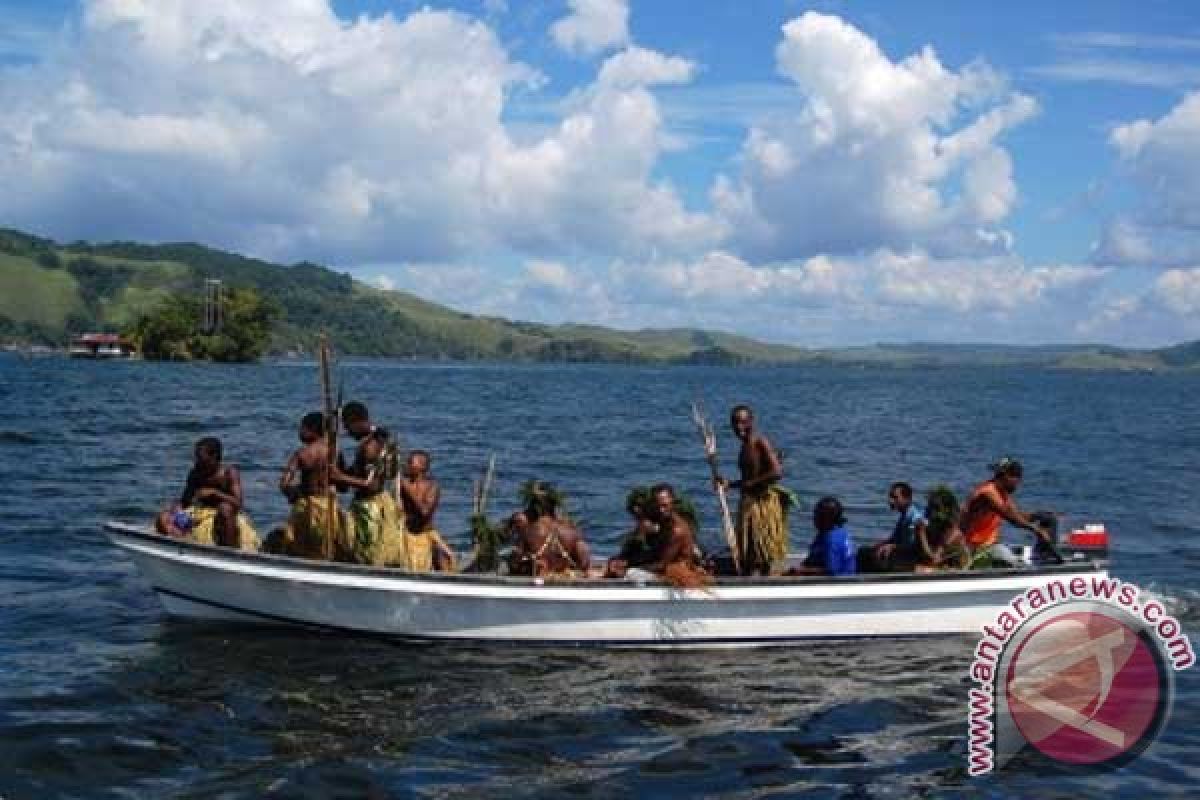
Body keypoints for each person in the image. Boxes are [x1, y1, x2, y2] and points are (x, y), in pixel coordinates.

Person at [716, 404, 788, 576]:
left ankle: (761, 583)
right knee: (748, 551)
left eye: (742, 422)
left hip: (761, 504)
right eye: (735, 423)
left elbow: (777, 472)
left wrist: (750, 484)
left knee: (759, 551)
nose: (738, 427)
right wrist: (729, 484)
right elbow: (749, 478)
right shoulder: (745, 445)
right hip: (749, 503)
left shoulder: (760, 441)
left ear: (751, 421)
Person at [332, 401, 404, 566]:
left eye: (347, 426)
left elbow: (372, 485)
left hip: (370, 508)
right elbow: (356, 476)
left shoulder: (370, 446)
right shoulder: (373, 441)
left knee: (367, 553)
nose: (347, 432)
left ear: (357, 422)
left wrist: (340, 477)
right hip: (372, 504)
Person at [155, 436, 258, 550]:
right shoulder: (195, 473)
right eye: (196, 458)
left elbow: (238, 503)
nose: (198, 462)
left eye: (201, 458)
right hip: (198, 514)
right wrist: (176, 508)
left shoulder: (229, 473)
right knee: (163, 517)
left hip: (223, 518)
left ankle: (230, 552)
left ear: (214, 457)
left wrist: (215, 493)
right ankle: (186, 545)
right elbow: (186, 501)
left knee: (225, 508)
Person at [264, 412, 342, 559]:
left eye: (302, 428)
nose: (299, 432)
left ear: (311, 430)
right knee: (327, 543)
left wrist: (292, 493)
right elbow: (341, 481)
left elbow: (284, 483)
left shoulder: (302, 454)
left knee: (301, 545)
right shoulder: (335, 452)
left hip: (307, 506)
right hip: (329, 505)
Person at [960, 458, 1053, 568]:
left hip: (987, 545)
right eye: (1017, 480)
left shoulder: (1002, 492)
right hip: (975, 547)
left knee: (1009, 554)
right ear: (1008, 477)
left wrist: (1037, 516)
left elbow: (1016, 515)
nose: (1018, 484)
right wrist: (1036, 529)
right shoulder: (988, 493)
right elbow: (1012, 519)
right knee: (1019, 566)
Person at [634, 483, 710, 587]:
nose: (661, 510)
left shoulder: (677, 530)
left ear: (672, 503)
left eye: (665, 506)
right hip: (662, 565)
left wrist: (635, 567)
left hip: (675, 571)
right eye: (658, 506)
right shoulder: (663, 520)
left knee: (632, 574)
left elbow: (662, 564)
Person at [509, 482, 591, 578]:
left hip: (537, 580)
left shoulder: (528, 531)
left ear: (533, 507)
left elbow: (515, 564)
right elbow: (584, 561)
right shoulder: (571, 531)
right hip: (564, 578)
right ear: (555, 506)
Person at [394, 450, 457, 572]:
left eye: (410, 463)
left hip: (424, 534)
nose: (406, 465)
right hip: (405, 534)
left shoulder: (432, 487)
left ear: (421, 467)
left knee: (444, 558)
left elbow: (424, 512)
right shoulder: (402, 483)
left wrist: (407, 489)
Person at [789, 496, 856, 576]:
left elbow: (831, 571)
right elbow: (812, 558)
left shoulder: (831, 540)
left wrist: (802, 570)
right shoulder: (829, 532)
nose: (814, 518)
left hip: (838, 583)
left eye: (818, 515)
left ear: (827, 518)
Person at [604, 486, 663, 579]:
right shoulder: (640, 527)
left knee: (628, 572)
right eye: (635, 505)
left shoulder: (652, 527)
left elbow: (654, 556)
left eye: (640, 505)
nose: (636, 508)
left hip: (651, 567)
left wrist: (628, 564)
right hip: (640, 562)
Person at [867, 482, 926, 572]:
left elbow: (912, 545)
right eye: (890, 497)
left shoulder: (914, 517)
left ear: (907, 499)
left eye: (895, 497)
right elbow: (895, 538)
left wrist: (892, 546)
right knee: (866, 552)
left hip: (910, 556)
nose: (890, 501)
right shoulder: (904, 515)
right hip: (902, 552)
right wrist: (882, 544)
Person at [916, 485, 970, 571]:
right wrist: (921, 532)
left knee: (920, 569)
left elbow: (935, 556)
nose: (931, 511)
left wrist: (922, 534)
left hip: (955, 562)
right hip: (937, 559)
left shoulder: (952, 530)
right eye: (930, 507)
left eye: (935, 508)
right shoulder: (932, 523)